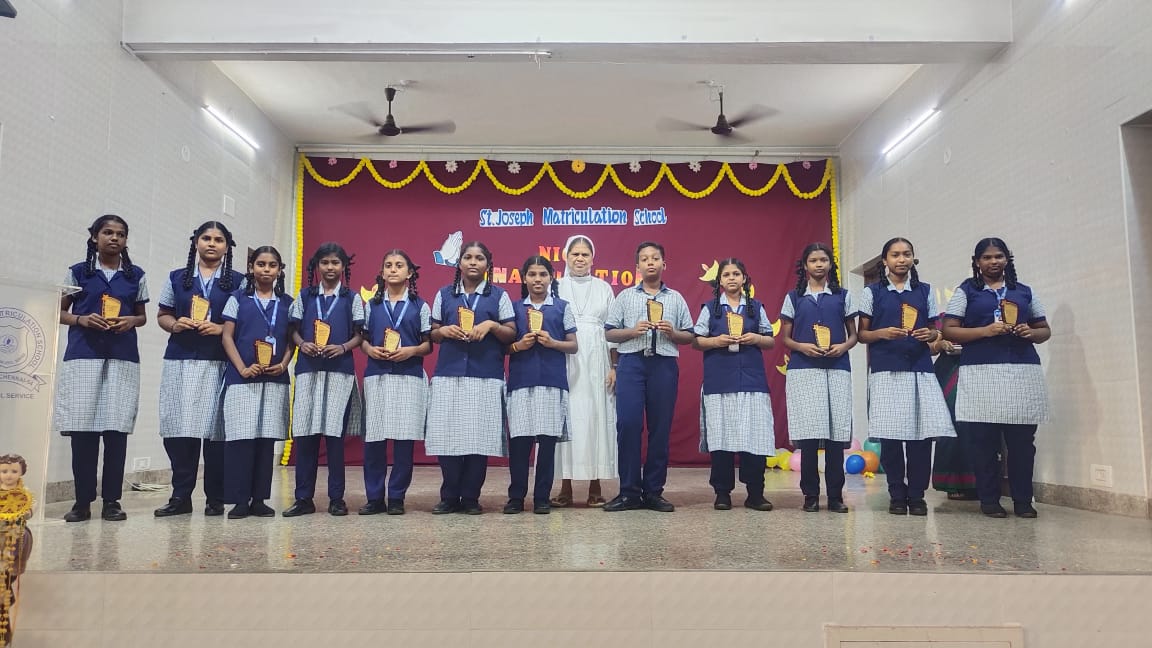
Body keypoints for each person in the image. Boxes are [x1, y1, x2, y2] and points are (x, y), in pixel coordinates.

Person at [942, 237, 1051, 518]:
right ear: (977, 262)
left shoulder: (1024, 291)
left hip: (1022, 373)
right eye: (987, 257)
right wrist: (985, 331)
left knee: (1022, 444)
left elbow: (1044, 330)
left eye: (999, 256)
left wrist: (1031, 333)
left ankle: (1023, 501)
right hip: (980, 374)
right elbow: (949, 329)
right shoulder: (967, 291)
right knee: (984, 443)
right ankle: (989, 500)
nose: (993, 262)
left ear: (1007, 259)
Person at [53, 215, 148, 522]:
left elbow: (142, 316)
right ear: (95, 237)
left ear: (126, 240)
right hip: (83, 357)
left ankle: (112, 501)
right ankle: (82, 502)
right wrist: (81, 319)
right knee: (83, 432)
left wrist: (131, 321)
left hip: (122, 358)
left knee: (116, 431)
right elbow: (58, 311)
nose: (114, 238)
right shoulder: (78, 271)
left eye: (120, 234)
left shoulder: (136, 275)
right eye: (108, 232)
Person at [856, 238, 955, 516]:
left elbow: (935, 330)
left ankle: (917, 495)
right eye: (895, 255)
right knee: (891, 437)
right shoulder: (872, 292)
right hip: (886, 371)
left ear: (913, 258)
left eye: (906, 254)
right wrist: (882, 333)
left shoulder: (924, 290)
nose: (901, 259)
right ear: (885, 261)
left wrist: (931, 334)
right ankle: (897, 494)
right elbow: (862, 334)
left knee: (920, 437)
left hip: (919, 370)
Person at [154, 221, 242, 518]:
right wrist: (174, 324)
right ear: (196, 243)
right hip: (180, 360)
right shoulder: (177, 278)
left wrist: (220, 328)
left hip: (219, 362)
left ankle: (215, 497)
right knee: (179, 431)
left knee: (216, 433)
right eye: (206, 238)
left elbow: (243, 323)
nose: (212, 244)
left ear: (227, 247)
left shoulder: (239, 282)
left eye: (218, 239)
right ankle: (180, 496)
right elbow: (163, 314)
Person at [603, 241, 695, 513]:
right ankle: (629, 492)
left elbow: (690, 336)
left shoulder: (675, 298)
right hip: (631, 363)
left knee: (660, 428)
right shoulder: (625, 297)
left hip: (663, 365)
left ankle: (654, 491)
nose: (650, 262)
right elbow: (609, 332)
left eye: (655, 258)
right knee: (628, 424)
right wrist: (633, 331)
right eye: (645, 259)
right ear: (637, 267)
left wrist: (673, 333)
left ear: (664, 264)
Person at [426, 241, 517, 514]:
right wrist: (444, 332)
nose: (473, 262)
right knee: (447, 436)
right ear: (459, 262)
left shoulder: (498, 296)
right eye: (468, 257)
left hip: (486, 375)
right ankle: (449, 496)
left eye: (479, 258)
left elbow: (511, 332)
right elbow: (432, 332)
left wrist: (491, 325)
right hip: (449, 374)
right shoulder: (444, 294)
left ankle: (470, 497)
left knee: (479, 439)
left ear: (488, 264)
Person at [285, 242, 365, 517]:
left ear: (344, 267)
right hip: (308, 371)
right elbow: (292, 329)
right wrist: (302, 344)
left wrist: (343, 347)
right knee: (305, 436)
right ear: (316, 266)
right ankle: (303, 498)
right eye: (325, 262)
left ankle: (336, 498)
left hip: (340, 372)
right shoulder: (305, 296)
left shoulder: (352, 298)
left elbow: (360, 335)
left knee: (334, 438)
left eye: (335, 262)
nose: (330, 267)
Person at [691, 258, 776, 511]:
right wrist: (716, 341)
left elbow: (770, 340)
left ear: (744, 279)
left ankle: (755, 493)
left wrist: (755, 338)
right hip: (720, 382)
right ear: (719, 280)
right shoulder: (711, 308)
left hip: (752, 381)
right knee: (721, 438)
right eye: (726, 274)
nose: (731, 278)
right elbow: (696, 341)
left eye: (736, 274)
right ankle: (722, 493)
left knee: (755, 438)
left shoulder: (755, 307)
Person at [779, 242, 856, 513]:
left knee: (835, 437)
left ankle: (835, 496)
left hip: (837, 369)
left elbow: (854, 335)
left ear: (830, 264)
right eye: (813, 260)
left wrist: (843, 347)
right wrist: (802, 347)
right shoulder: (794, 297)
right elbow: (786, 338)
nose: (819, 264)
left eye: (824, 260)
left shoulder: (843, 296)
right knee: (809, 437)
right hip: (803, 370)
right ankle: (810, 495)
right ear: (805, 265)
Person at [220, 246, 294, 519]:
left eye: (272, 265)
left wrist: (283, 364)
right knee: (241, 439)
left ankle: (260, 499)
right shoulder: (237, 298)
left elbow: (292, 340)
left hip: (274, 380)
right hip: (242, 378)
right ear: (251, 267)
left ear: (279, 270)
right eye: (261, 264)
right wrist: (242, 367)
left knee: (265, 439)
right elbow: (227, 336)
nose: (266, 269)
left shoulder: (288, 302)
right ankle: (239, 500)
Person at [504, 255, 578, 514]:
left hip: (551, 383)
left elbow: (573, 345)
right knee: (520, 444)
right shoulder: (514, 308)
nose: (537, 279)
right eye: (532, 274)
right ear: (524, 278)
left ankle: (542, 498)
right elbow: (503, 346)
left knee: (547, 444)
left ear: (551, 277)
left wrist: (553, 343)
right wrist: (518, 345)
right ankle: (516, 497)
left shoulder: (562, 307)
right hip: (521, 383)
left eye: (543, 274)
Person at [360, 250, 432, 516]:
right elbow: (363, 339)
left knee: (404, 441)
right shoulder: (372, 305)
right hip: (377, 375)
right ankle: (374, 497)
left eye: (399, 265)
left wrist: (411, 351)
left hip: (409, 377)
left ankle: (397, 497)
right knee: (374, 441)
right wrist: (369, 350)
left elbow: (428, 345)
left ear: (409, 273)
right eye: (388, 265)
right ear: (381, 272)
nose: (393, 269)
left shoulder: (420, 306)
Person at [552, 235, 617, 508]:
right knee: (566, 417)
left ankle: (595, 485)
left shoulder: (604, 288)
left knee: (595, 416)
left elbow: (612, 329)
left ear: (593, 258)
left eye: (585, 254)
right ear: (566, 257)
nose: (580, 259)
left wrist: (614, 366)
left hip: (597, 360)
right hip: (564, 357)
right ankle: (565, 486)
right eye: (575, 254)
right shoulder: (555, 286)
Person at [930, 342, 980, 499]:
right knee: (951, 423)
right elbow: (930, 343)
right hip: (950, 366)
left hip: (980, 364)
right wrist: (940, 344)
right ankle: (952, 483)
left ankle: (980, 483)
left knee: (977, 426)